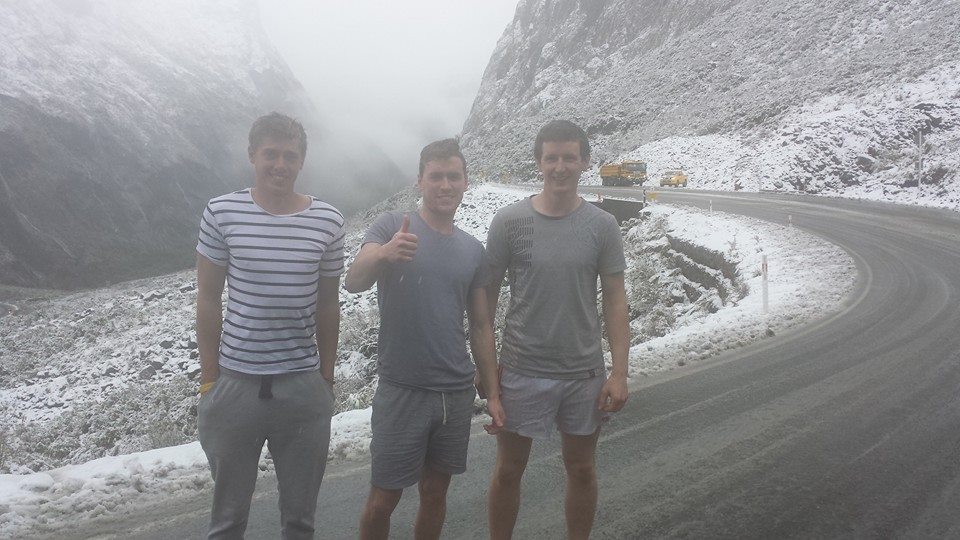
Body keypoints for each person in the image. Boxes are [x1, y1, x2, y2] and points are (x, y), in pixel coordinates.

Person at [345, 138, 505, 540]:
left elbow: (482, 325)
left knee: (435, 494)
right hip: (402, 389)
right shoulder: (390, 227)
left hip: (454, 392)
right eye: (436, 176)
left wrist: (494, 393)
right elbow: (353, 280)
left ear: (466, 182)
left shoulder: (472, 250)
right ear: (420, 181)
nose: (445, 185)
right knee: (383, 500)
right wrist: (383, 253)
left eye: (454, 176)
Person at [195, 112, 343, 539]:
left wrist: (325, 380)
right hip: (235, 386)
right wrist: (210, 382)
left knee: (299, 521)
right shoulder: (221, 212)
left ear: (302, 162)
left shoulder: (328, 222)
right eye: (270, 154)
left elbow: (328, 304)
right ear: (252, 156)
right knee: (227, 522)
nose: (280, 164)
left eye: (289, 156)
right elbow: (207, 298)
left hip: (301, 387)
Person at [484, 120, 630, 540]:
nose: (560, 167)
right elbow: (486, 300)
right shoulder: (509, 221)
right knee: (509, 471)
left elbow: (616, 299)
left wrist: (619, 372)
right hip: (521, 368)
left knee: (582, 470)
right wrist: (487, 367)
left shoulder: (602, 225)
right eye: (552, 158)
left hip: (583, 373)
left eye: (569, 157)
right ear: (538, 162)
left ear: (584, 161)